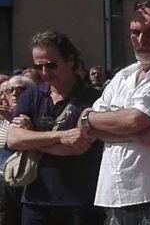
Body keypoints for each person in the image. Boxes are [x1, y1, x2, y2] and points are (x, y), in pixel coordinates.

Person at [80, 2, 150, 224]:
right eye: (136, 32)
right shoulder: (123, 76)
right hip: (116, 194)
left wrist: (96, 120)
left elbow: (133, 120)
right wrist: (134, 134)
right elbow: (87, 127)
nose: (142, 40)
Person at [7, 31, 104, 224]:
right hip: (35, 201)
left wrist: (32, 138)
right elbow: (14, 139)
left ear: (69, 60)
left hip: (80, 203)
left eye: (51, 65)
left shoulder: (92, 98)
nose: (44, 72)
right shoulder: (32, 95)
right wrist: (60, 136)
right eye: (38, 66)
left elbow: (76, 145)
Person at [0, 75, 35, 224]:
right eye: (10, 90)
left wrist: (13, 119)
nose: (15, 93)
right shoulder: (1, 116)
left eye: (21, 89)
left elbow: (24, 142)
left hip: (26, 179)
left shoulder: (33, 116)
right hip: (3, 181)